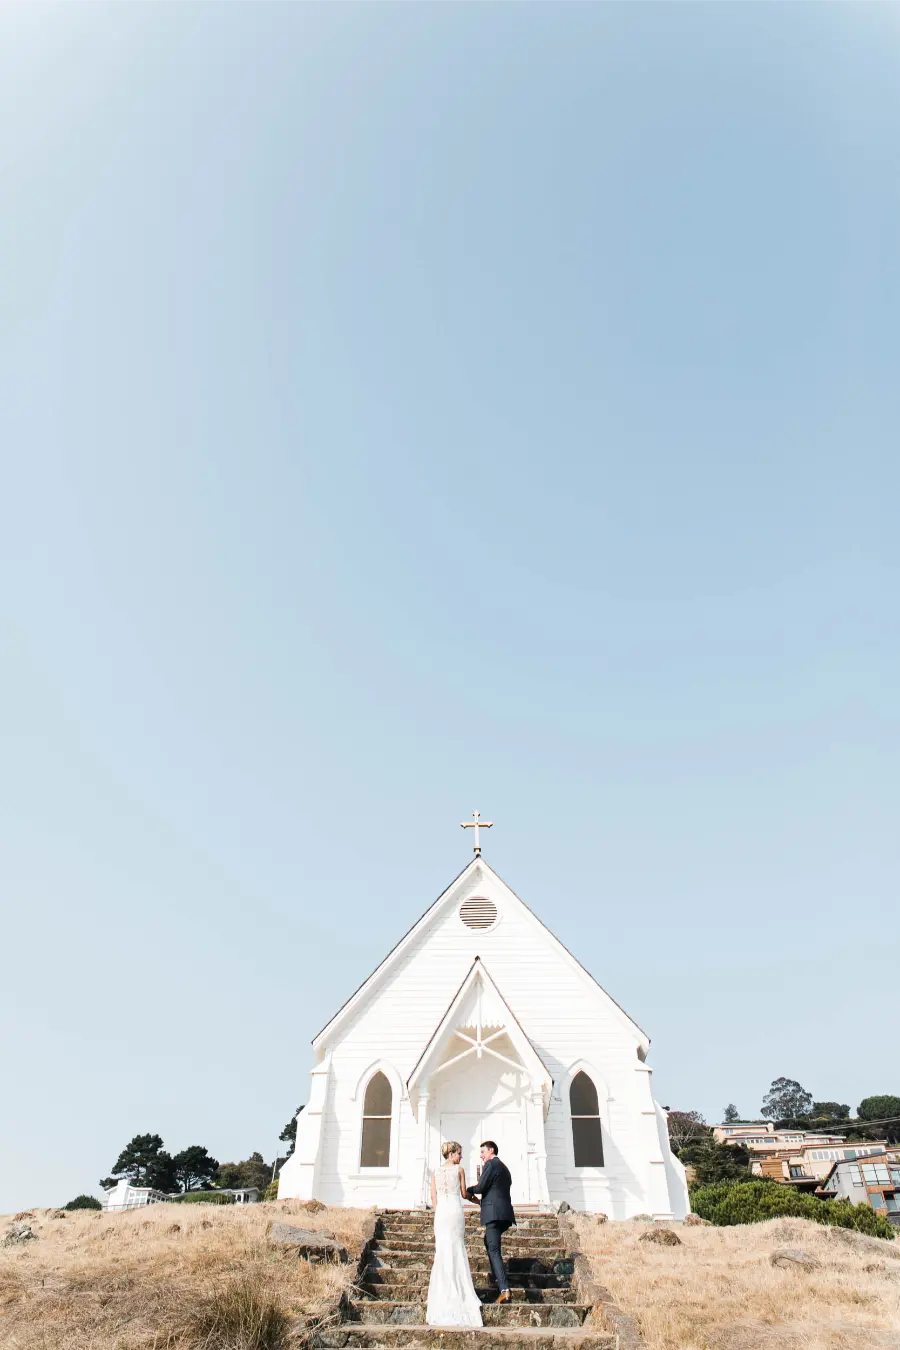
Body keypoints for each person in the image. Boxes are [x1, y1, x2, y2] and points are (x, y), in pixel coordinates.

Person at [425, 1140, 483, 1328]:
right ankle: (459, 1290)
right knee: (456, 1247)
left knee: (443, 1249)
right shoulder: (459, 1170)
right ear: (451, 1154)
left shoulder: (436, 1171)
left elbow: (433, 1197)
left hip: (441, 1212)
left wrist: (439, 1210)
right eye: (459, 1153)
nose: (461, 1156)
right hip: (454, 1210)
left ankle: (442, 1292)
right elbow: (464, 1193)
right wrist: (478, 1201)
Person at [466, 1140, 515, 1303]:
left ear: (491, 1150)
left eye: (483, 1152)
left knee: (494, 1249)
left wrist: (467, 1190)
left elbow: (480, 1187)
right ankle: (497, 1279)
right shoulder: (504, 1168)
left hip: (494, 1214)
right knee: (488, 1241)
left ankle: (504, 1289)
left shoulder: (491, 1164)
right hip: (504, 1214)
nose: (481, 1156)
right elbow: (496, 1190)